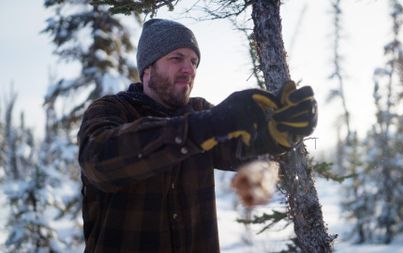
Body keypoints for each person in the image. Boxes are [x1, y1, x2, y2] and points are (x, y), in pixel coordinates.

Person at [77, 18, 318, 253]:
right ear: (148, 69)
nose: (189, 69)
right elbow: (98, 162)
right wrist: (205, 126)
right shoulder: (112, 109)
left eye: (194, 61)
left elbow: (241, 150)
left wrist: (277, 138)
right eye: (176, 58)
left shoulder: (200, 112)